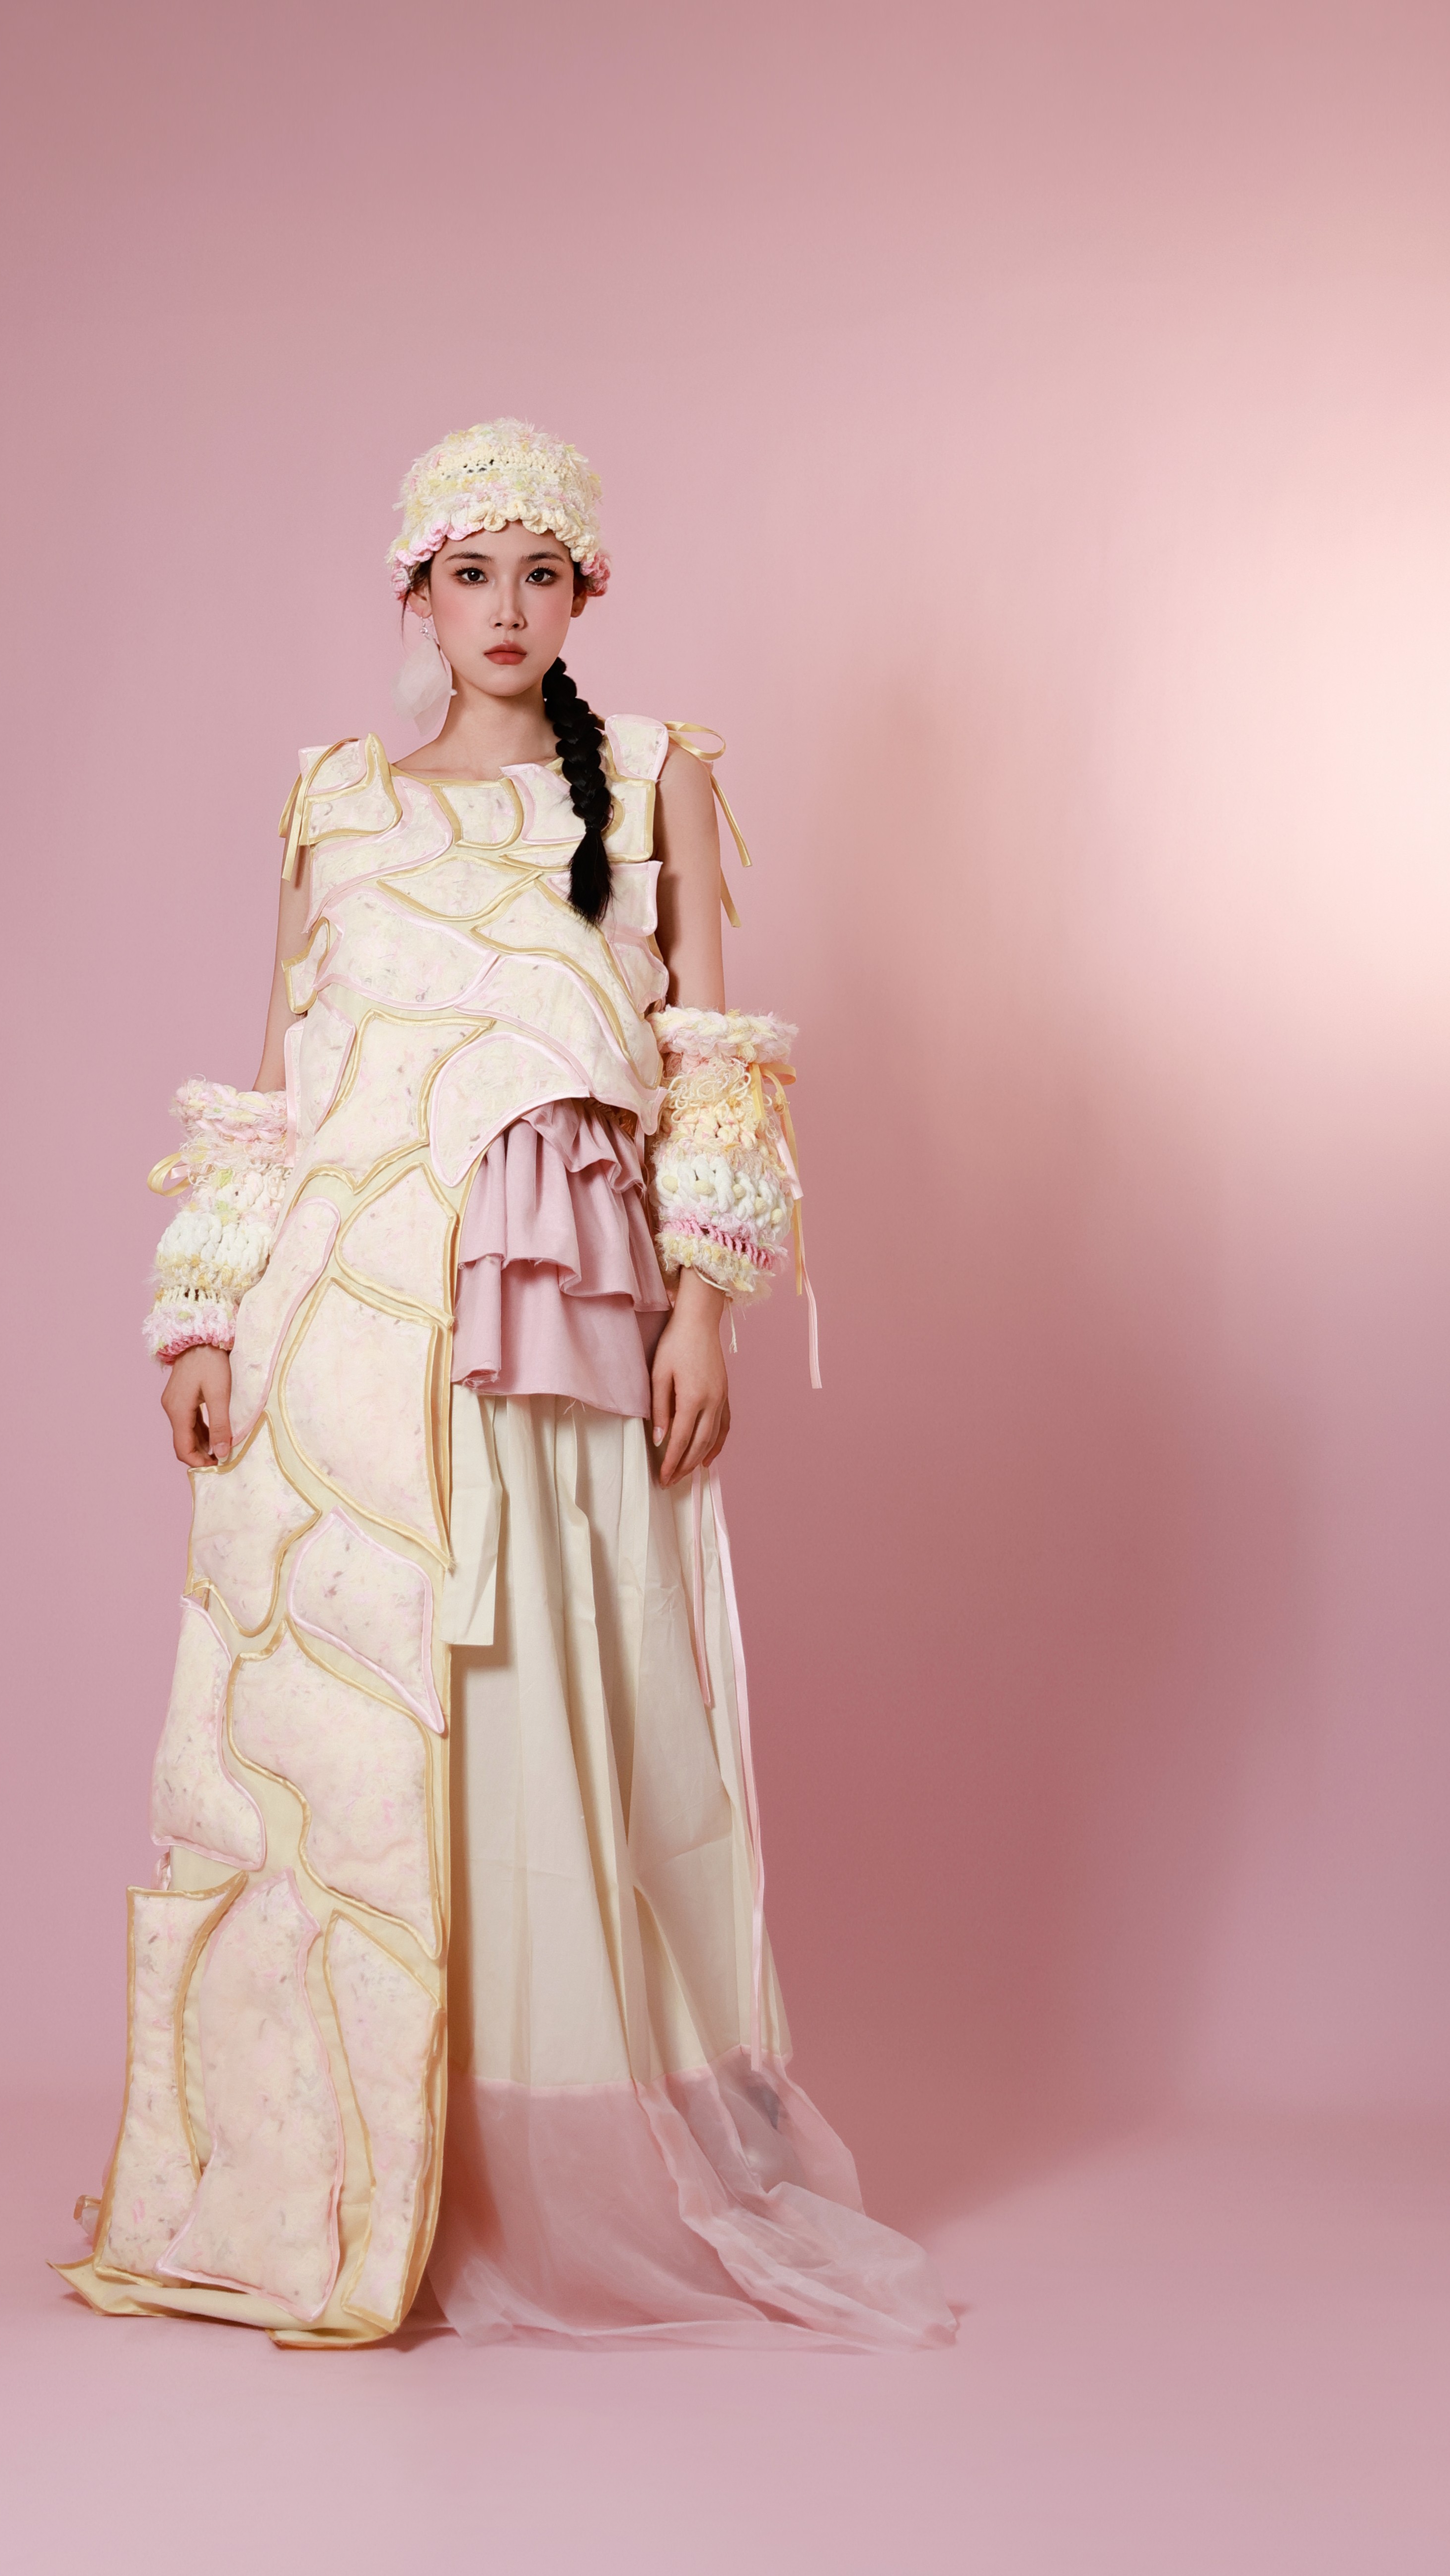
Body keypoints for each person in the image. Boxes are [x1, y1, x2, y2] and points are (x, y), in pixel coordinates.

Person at [57, 420, 955, 2349]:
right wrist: (205, 1315)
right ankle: (356, 2150)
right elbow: (279, 1081)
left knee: (549, 1693)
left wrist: (705, 1305)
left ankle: (548, 2164)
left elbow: (711, 1059)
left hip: (547, 1303)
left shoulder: (651, 775)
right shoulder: (335, 800)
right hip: (344, 1325)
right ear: (416, 592)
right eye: (471, 573)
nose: (506, 608)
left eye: (541, 573)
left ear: (584, 594)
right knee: (362, 1716)